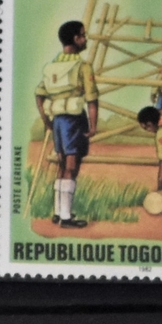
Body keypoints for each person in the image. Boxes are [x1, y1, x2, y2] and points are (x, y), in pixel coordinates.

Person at [34, 20, 99, 230]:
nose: (85, 39)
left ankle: (58, 212)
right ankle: (66, 218)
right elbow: (92, 99)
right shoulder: (83, 66)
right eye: (83, 35)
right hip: (74, 120)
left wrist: (46, 120)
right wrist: (93, 126)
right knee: (71, 167)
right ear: (75, 39)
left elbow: (39, 94)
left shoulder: (52, 66)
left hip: (58, 121)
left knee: (62, 166)